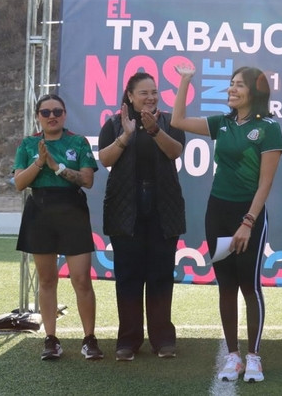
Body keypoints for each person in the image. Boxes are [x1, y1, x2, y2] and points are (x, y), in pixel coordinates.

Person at [172, 63, 282, 383]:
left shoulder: (268, 127)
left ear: (254, 92)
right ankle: (233, 356)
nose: (231, 89)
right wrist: (185, 81)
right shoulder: (222, 123)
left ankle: (254, 357)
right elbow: (178, 120)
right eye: (230, 84)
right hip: (217, 213)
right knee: (226, 286)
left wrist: (248, 222)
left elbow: (265, 184)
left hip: (248, 216)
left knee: (250, 286)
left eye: (239, 85)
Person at [97, 72, 186, 361]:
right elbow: (106, 159)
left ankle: (163, 339)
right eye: (144, 93)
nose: (150, 97)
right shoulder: (113, 123)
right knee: (128, 276)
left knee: (161, 274)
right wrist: (126, 134)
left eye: (154, 92)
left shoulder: (169, 121)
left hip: (163, 206)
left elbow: (176, 152)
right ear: (130, 96)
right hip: (126, 207)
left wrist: (155, 131)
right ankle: (128, 340)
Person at [13, 94, 103, 361]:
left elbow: (87, 180)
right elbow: (19, 183)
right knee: (47, 280)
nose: (52, 116)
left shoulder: (78, 142)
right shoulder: (29, 144)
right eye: (45, 112)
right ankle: (50, 339)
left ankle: (89, 339)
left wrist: (57, 167)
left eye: (57, 111)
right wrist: (40, 163)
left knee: (81, 279)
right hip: (39, 212)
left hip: (72, 211)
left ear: (64, 114)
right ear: (38, 116)